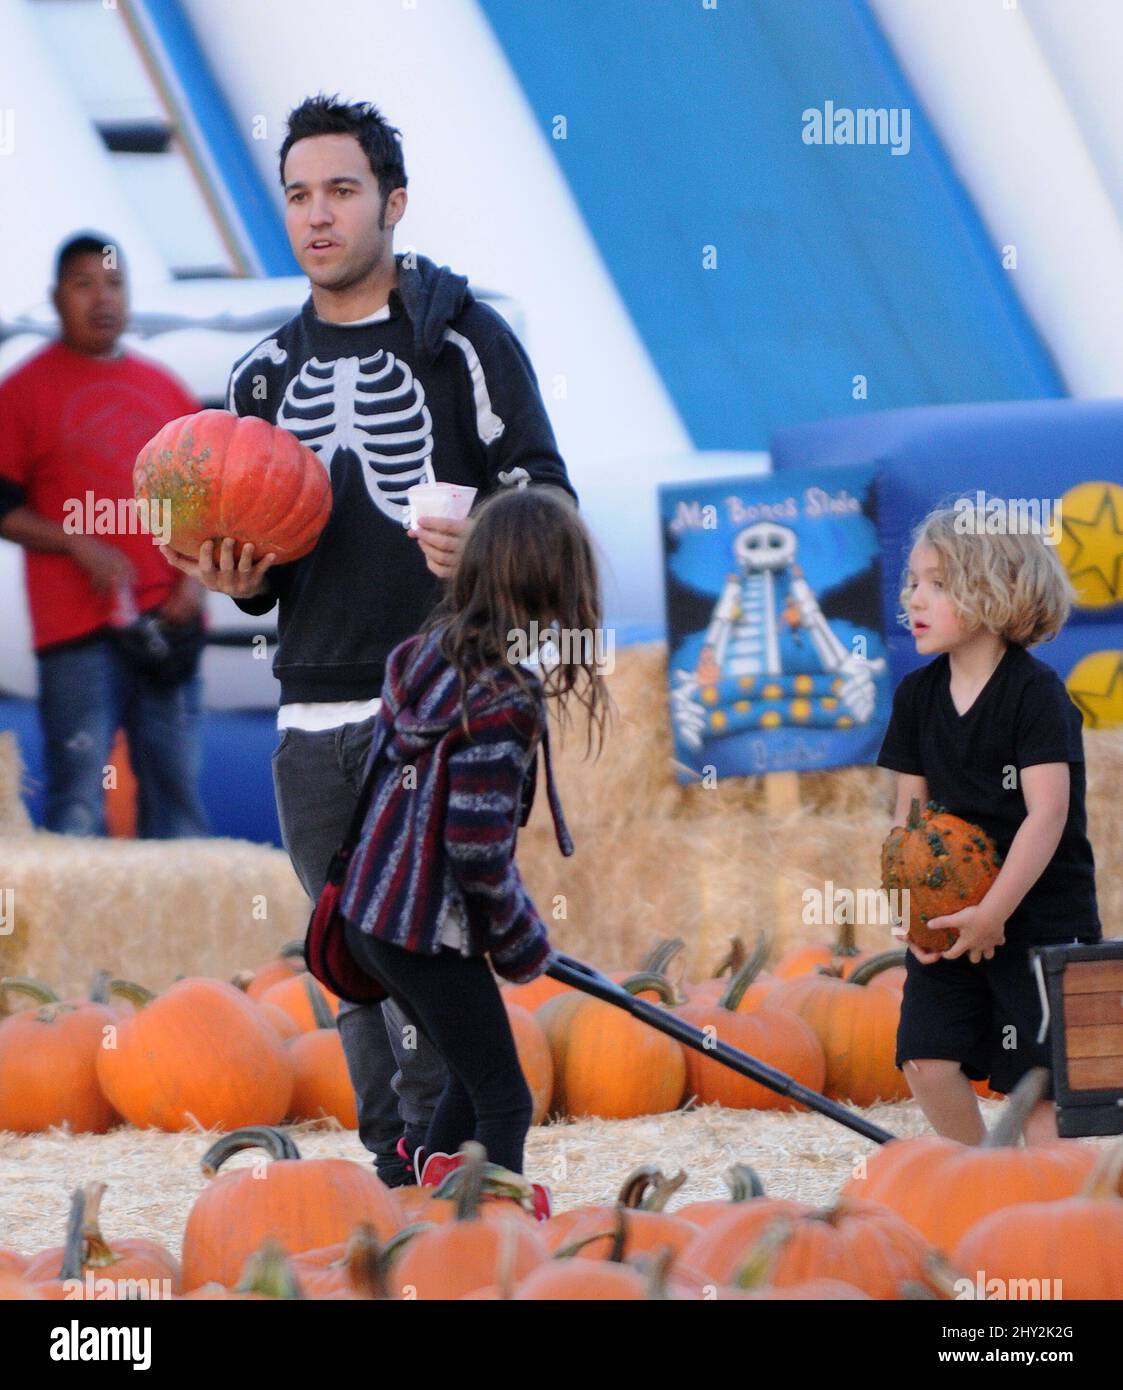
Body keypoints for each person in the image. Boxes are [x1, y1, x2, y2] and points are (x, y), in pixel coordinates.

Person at [163, 95, 578, 1186]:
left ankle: (452, 1172)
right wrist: (234, 577)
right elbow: (262, 563)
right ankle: (403, 1173)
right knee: (350, 956)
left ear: (392, 203)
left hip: (442, 708)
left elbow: (548, 496)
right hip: (315, 714)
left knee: (429, 953)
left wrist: (484, 532)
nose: (317, 214)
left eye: (341, 190)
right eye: (298, 194)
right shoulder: (259, 378)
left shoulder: (464, 342)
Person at [340, 485, 610, 1211]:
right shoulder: (502, 699)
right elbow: (474, 846)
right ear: (557, 593)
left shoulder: (420, 657)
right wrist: (522, 941)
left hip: (372, 918)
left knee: (467, 1066)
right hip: (420, 927)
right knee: (505, 1098)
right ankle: (490, 1240)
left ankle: (428, 1192)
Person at [877, 504, 1102, 1145]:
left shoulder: (1035, 695)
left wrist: (995, 912)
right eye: (912, 582)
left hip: (1037, 920)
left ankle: (1048, 1211)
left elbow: (1047, 813)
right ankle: (982, 1183)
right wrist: (911, 912)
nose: (914, 598)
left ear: (995, 592)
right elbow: (908, 820)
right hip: (949, 918)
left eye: (938, 584)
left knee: (1036, 1090)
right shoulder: (916, 697)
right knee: (926, 1060)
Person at [0, 232, 208, 837]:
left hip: (169, 625)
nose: (102, 298)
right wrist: (75, 541)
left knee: (178, 799)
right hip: (76, 632)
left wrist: (192, 587)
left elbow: (208, 504)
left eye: (114, 283)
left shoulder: (166, 388)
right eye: (84, 283)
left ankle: (184, 931)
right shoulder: (21, 391)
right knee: (77, 799)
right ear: (56, 297)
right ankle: (74, 933)